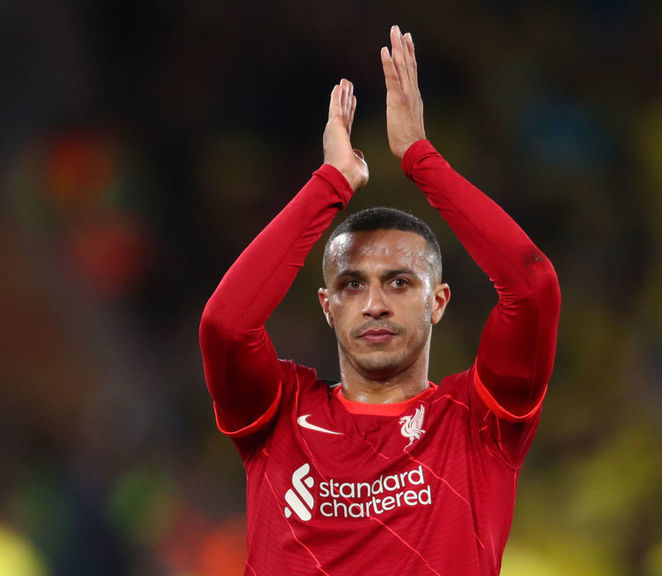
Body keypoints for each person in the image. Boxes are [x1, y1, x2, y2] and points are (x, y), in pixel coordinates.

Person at [199, 25, 560, 576]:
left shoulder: (478, 423)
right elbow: (226, 326)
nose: (374, 303)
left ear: (438, 301)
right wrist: (331, 183)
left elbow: (531, 287)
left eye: (399, 282)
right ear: (326, 305)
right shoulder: (280, 414)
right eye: (351, 284)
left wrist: (421, 158)